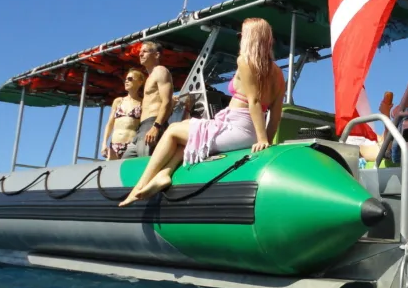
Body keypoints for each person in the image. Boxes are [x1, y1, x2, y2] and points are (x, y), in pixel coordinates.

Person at [119, 18, 286, 207]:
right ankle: (165, 173)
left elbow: (254, 101)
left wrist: (262, 140)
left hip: (237, 127)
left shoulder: (245, 61)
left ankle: (138, 187)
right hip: (246, 129)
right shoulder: (278, 74)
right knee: (187, 133)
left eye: (242, 35)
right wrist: (267, 139)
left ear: (251, 38)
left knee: (173, 130)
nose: (239, 39)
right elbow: (276, 111)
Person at [121, 40, 174, 159]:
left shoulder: (160, 71)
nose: (140, 54)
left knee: (145, 165)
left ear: (156, 55)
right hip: (141, 129)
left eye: (144, 51)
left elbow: (167, 101)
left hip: (152, 124)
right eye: (140, 52)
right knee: (125, 163)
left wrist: (156, 127)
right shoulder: (149, 78)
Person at [100, 68, 147, 160]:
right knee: (111, 171)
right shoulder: (118, 101)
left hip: (131, 145)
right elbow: (110, 124)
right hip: (114, 145)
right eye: (125, 79)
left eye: (130, 79)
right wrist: (104, 143)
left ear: (140, 82)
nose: (126, 81)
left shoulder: (143, 103)